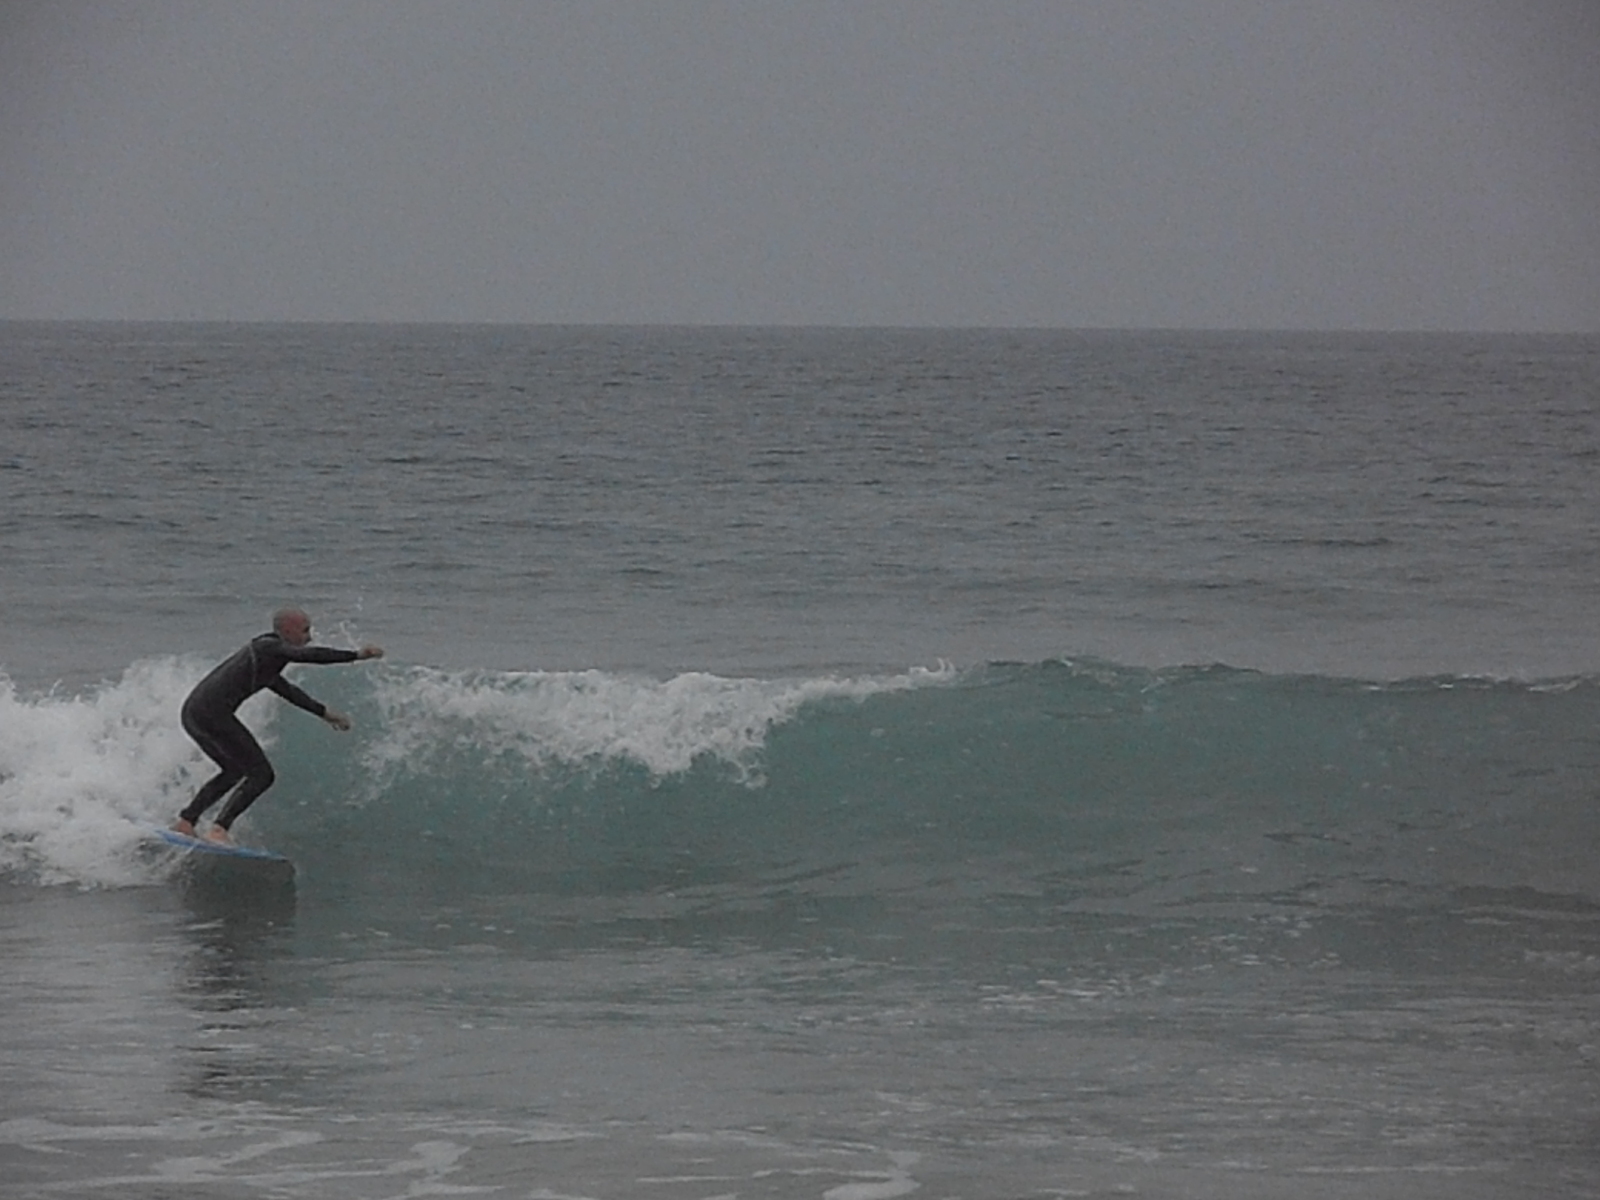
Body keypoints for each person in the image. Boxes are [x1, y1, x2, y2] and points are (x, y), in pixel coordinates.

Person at [173, 607, 383, 844]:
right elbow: (309, 655)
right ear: (287, 630)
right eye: (305, 631)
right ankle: (219, 829)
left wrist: (324, 713)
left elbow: (288, 691)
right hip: (212, 714)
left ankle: (186, 821)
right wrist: (355, 655)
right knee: (262, 774)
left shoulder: (266, 658)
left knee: (233, 770)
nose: (309, 637)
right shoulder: (268, 647)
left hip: (193, 713)